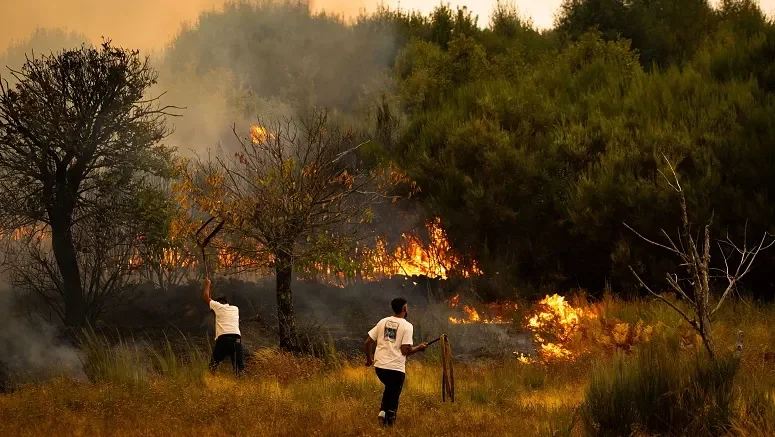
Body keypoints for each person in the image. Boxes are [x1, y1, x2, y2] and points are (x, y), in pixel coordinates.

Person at [364, 297, 428, 427]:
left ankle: (382, 411)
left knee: (390, 388)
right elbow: (405, 350)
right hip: (396, 369)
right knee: (394, 395)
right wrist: (419, 348)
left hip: (380, 368)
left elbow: (368, 342)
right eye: (407, 307)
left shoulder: (383, 321)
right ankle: (389, 419)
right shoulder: (407, 326)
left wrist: (369, 359)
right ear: (404, 309)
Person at [202, 278, 244, 375]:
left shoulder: (218, 306)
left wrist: (207, 284)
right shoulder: (235, 308)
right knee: (239, 371)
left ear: (219, 303)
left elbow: (205, 297)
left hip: (223, 340)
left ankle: (211, 384)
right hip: (237, 340)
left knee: (213, 367)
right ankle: (240, 386)